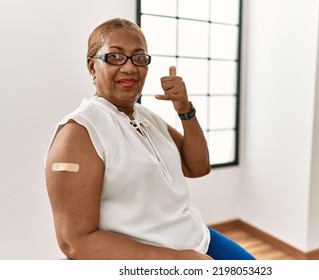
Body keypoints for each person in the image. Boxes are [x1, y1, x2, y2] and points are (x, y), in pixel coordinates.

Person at [45, 18, 255, 260]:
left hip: (197, 237)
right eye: (115, 56)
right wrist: (179, 260)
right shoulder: (79, 133)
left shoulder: (146, 117)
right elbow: (75, 242)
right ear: (92, 65)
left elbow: (198, 167)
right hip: (151, 256)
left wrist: (184, 109)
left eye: (139, 57)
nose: (129, 67)